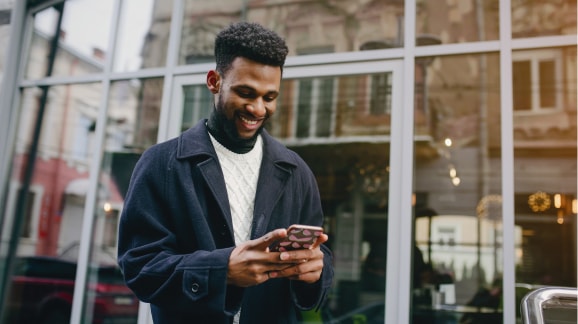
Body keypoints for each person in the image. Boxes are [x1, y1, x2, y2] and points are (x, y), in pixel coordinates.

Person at [117, 22, 333, 323]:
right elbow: (139, 268)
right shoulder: (161, 164)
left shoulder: (297, 172)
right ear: (214, 81)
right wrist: (223, 271)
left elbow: (322, 263)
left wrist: (316, 272)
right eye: (246, 93)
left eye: (269, 97)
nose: (258, 109)